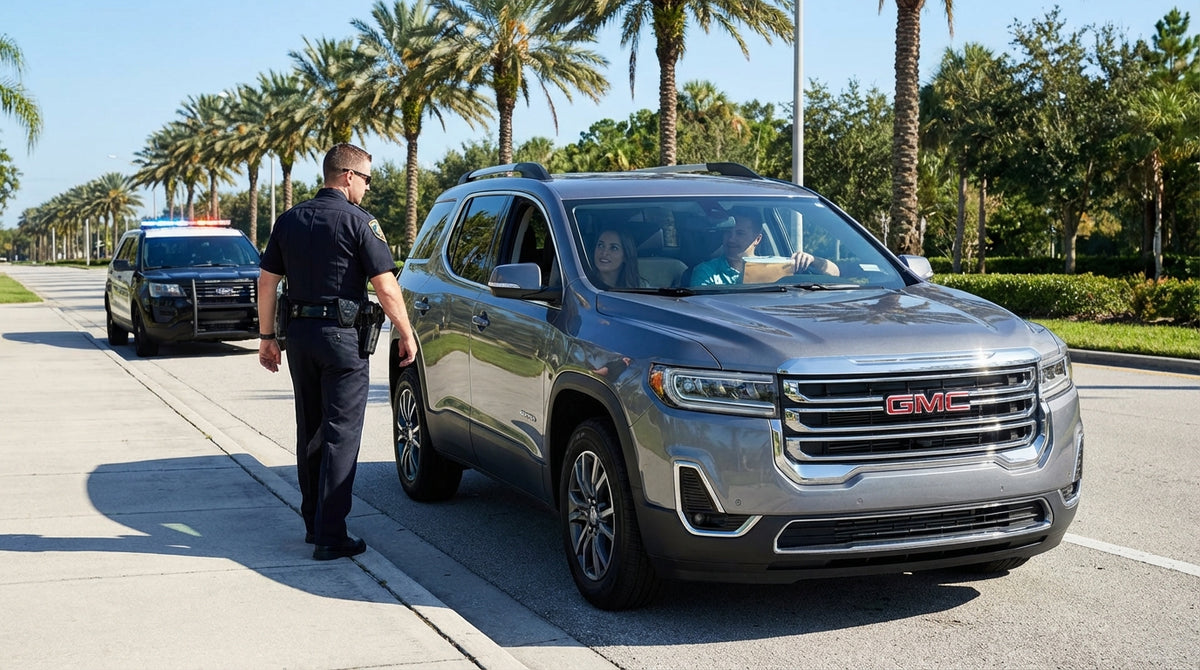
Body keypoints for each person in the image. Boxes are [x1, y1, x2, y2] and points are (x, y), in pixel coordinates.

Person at [256, 143, 419, 561]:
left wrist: (267, 337)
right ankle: (332, 534)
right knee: (341, 434)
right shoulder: (360, 223)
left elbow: (267, 282)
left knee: (310, 429)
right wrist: (406, 332)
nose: (367, 187)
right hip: (343, 340)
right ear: (348, 176)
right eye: (366, 179)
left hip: (300, 338)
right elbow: (385, 286)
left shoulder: (289, 220)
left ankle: (314, 524)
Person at [689, 209, 839, 286]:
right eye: (727, 232)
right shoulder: (706, 271)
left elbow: (834, 274)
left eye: (740, 233)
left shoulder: (777, 265)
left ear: (757, 239)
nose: (731, 239)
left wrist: (812, 260)